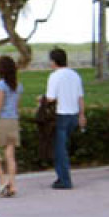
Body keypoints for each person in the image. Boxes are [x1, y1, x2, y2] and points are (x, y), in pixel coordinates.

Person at [45, 47, 86, 189]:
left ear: (54, 61)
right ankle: (61, 177)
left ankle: (64, 179)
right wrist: (82, 114)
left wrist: (41, 100)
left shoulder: (54, 76)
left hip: (60, 114)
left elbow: (50, 98)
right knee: (62, 147)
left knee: (59, 150)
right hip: (73, 114)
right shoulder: (75, 75)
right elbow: (80, 97)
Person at [0, 55, 23, 198]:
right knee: (10, 155)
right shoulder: (18, 86)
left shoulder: (1, 85)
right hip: (13, 120)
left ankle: (2, 180)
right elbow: (16, 105)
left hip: (2, 120)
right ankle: (12, 184)